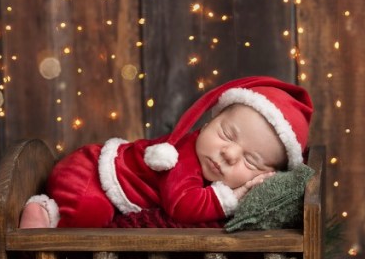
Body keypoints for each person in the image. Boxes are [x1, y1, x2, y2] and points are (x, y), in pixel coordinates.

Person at [19, 75, 313, 229]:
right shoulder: (184, 158)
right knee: (90, 213)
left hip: (97, 174)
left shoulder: (216, 162)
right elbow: (182, 205)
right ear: (210, 121)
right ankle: (48, 214)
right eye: (226, 134)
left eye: (250, 160)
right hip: (90, 171)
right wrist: (235, 197)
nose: (229, 154)